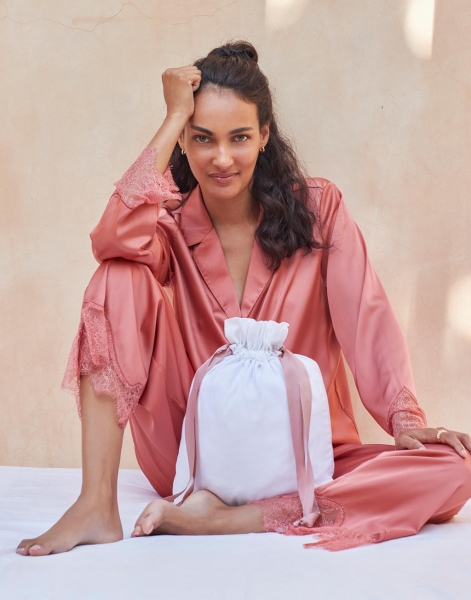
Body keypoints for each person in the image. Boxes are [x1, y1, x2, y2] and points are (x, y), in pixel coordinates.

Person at [17, 41, 471, 555]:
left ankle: (232, 519)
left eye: (239, 138)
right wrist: (172, 116)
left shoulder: (319, 209)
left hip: (306, 459)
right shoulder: (166, 228)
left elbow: (368, 319)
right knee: (117, 274)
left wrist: (406, 422)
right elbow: (112, 238)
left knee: (455, 466)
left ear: (264, 136)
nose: (222, 158)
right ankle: (96, 504)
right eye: (202, 138)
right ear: (183, 142)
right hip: (193, 458)